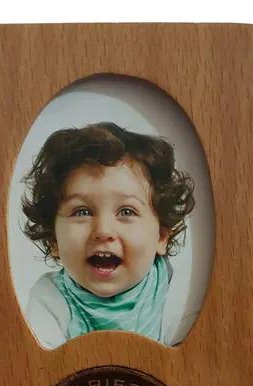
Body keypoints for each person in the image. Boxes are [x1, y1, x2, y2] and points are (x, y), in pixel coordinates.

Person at [21, 122, 196, 348]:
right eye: (82, 212)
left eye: (126, 211)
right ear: (53, 239)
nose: (103, 230)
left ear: (161, 236)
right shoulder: (51, 300)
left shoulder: (175, 290)